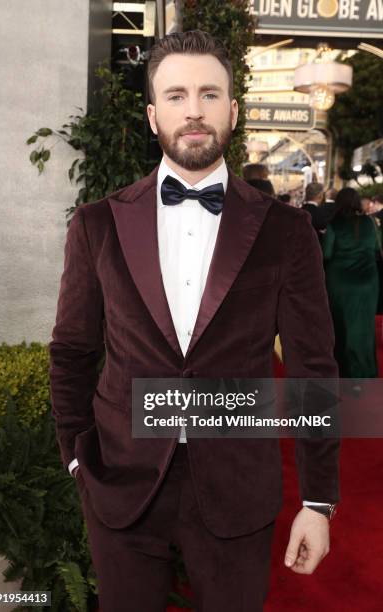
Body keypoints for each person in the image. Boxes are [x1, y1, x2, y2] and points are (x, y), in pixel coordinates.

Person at [49, 30, 340, 612]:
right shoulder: (96, 225)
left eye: (209, 94)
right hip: (122, 482)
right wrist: (78, 456)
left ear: (232, 110)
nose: (194, 111)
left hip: (237, 484)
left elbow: (312, 368)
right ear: (154, 114)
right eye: (177, 95)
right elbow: (73, 351)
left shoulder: (286, 231)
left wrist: (319, 502)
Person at [322, 187, 380, 378]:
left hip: (340, 283)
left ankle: (345, 370)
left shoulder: (334, 224)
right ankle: (366, 370)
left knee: (341, 326)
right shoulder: (369, 222)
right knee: (365, 326)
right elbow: (375, 249)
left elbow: (327, 254)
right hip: (368, 282)